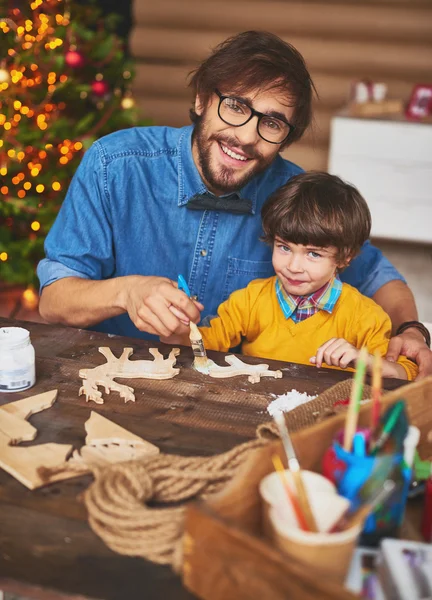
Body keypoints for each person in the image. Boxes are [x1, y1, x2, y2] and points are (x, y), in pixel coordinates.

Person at [37, 31, 432, 377]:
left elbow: (378, 276)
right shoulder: (114, 165)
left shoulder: (296, 197)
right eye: (237, 106)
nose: (245, 137)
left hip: (242, 394)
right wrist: (126, 292)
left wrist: (411, 331)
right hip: (119, 372)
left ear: (286, 136)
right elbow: (54, 301)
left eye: (272, 123)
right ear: (201, 99)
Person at [161, 172, 418, 380]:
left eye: (313, 254)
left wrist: (367, 363)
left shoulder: (366, 317)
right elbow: (208, 344)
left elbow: (407, 372)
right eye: (284, 247)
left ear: (344, 257)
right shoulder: (251, 300)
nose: (294, 266)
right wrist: (181, 333)